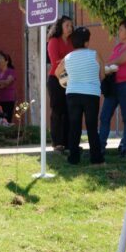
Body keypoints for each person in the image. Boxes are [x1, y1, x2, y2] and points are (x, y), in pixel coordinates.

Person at [55, 26, 105, 165]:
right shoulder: (95, 54)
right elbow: (102, 75)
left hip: (72, 93)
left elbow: (57, 72)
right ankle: (96, 159)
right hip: (91, 93)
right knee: (92, 127)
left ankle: (73, 158)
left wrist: (67, 81)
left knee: (74, 126)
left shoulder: (67, 57)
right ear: (86, 42)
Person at [99, 18, 126, 157]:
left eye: (121, 29)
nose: (119, 31)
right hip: (113, 85)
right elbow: (112, 64)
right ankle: (100, 147)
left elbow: (120, 60)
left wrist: (105, 66)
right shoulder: (117, 47)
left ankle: (125, 148)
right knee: (104, 116)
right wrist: (106, 68)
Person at [47, 15, 74, 152]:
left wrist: (65, 60)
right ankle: (57, 142)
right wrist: (69, 59)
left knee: (69, 110)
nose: (70, 28)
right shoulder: (53, 41)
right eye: (67, 25)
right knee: (57, 110)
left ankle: (68, 142)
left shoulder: (72, 41)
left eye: (71, 25)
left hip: (70, 79)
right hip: (55, 79)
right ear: (60, 27)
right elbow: (55, 62)